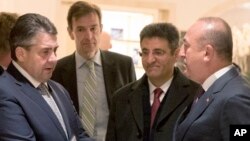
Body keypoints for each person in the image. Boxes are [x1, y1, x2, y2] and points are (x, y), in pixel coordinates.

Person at [0, 13, 93, 141]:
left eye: (55, 50)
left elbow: (81, 136)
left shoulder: (59, 89)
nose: (54, 59)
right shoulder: (4, 91)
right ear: (20, 54)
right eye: (45, 52)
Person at [51, 1, 136, 140]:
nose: (89, 36)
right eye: (80, 29)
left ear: (100, 28)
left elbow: (134, 113)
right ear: (70, 32)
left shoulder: (124, 65)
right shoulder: (56, 70)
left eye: (93, 28)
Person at [105, 23, 201, 141]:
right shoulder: (121, 99)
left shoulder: (196, 96)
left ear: (175, 55)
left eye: (158, 52)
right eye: (145, 52)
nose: (150, 60)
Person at [174, 17, 250, 141]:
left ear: (207, 53)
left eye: (186, 46)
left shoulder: (235, 99)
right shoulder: (209, 88)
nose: (181, 53)